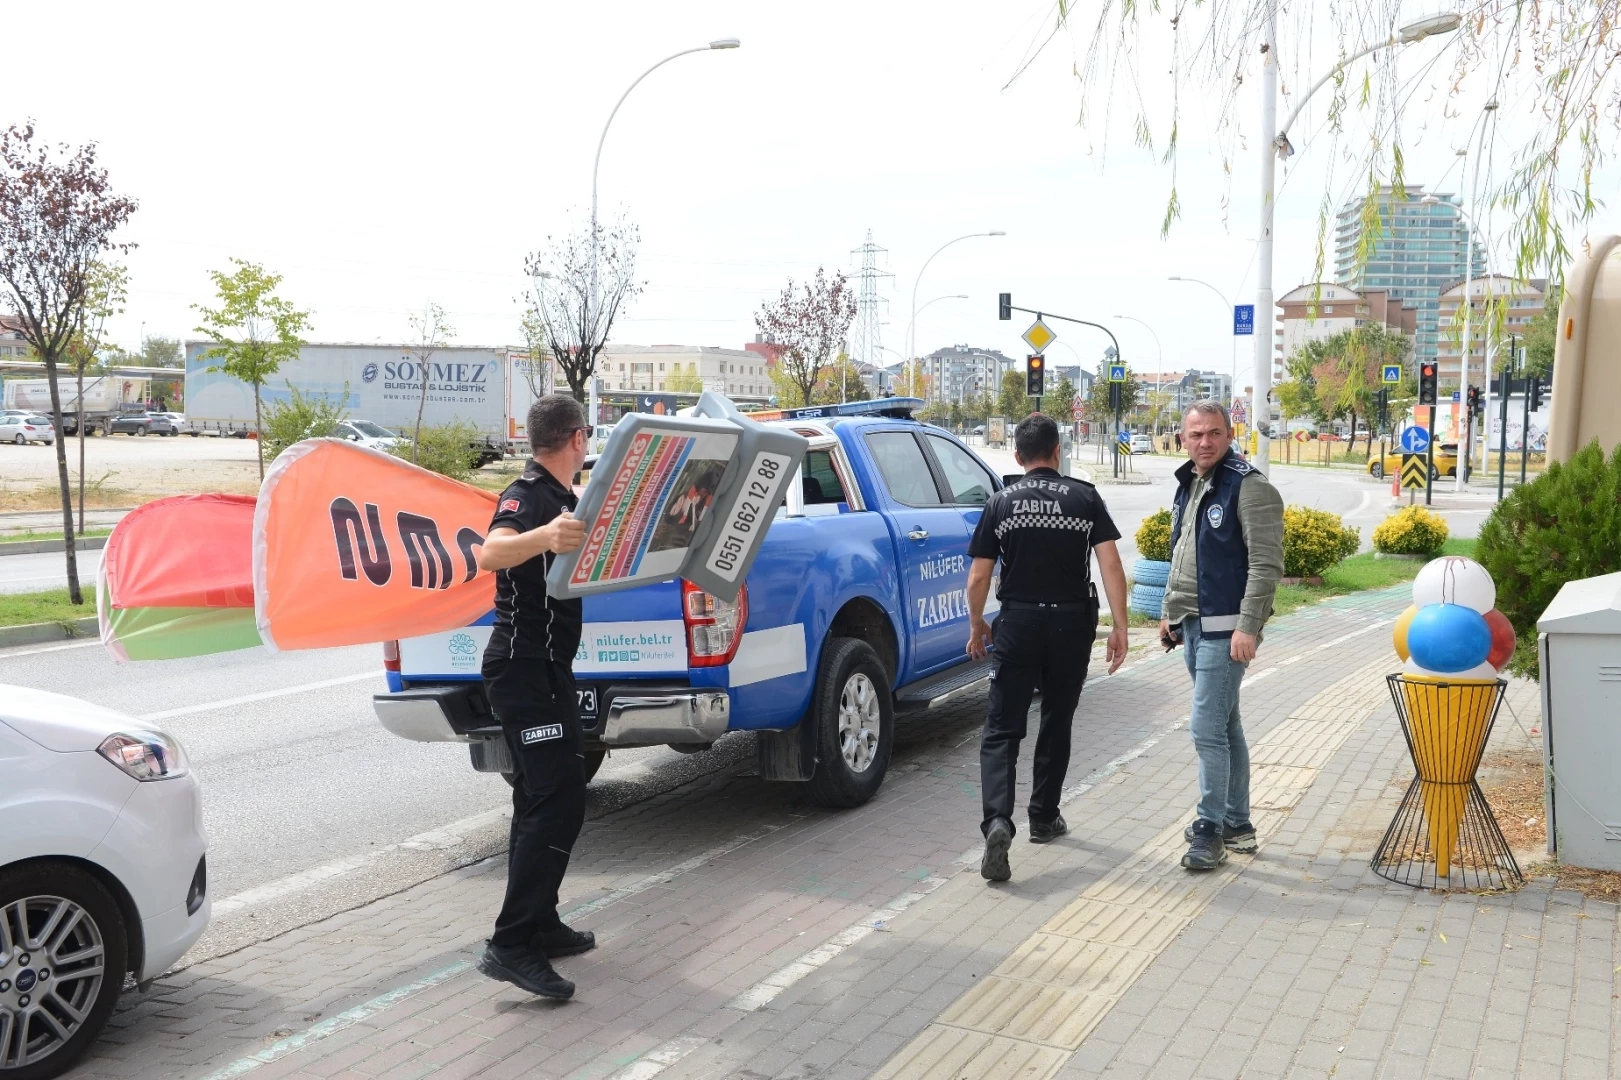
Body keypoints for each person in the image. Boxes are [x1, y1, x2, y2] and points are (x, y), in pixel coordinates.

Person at [966, 413, 1132, 883]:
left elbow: (979, 576)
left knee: (1002, 728)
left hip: (1017, 624)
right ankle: (1043, 817)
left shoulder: (1000, 502)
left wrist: (977, 624)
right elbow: (1111, 564)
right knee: (1057, 720)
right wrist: (1119, 626)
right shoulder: (1085, 497)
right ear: (1058, 452)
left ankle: (998, 822)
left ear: (1017, 456)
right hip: (1071, 624)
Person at [473, 393, 595, 999]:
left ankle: (541, 921)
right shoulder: (527, 495)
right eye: (587, 435)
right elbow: (489, 552)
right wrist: (545, 535)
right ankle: (512, 943)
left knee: (544, 796)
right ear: (578, 438)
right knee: (556, 798)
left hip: (550, 669)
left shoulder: (570, 498)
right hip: (522, 668)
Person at [1160, 400, 1285, 871]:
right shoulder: (1190, 482)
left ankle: (1208, 829)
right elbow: (1182, 552)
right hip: (1194, 624)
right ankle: (1237, 825)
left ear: (1230, 436)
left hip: (1226, 630)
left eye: (1214, 433)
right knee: (1225, 725)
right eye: (1196, 434)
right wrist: (1169, 614)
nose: (1205, 442)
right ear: (1183, 438)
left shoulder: (1249, 486)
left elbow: (1266, 564)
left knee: (1205, 730)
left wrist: (1248, 626)